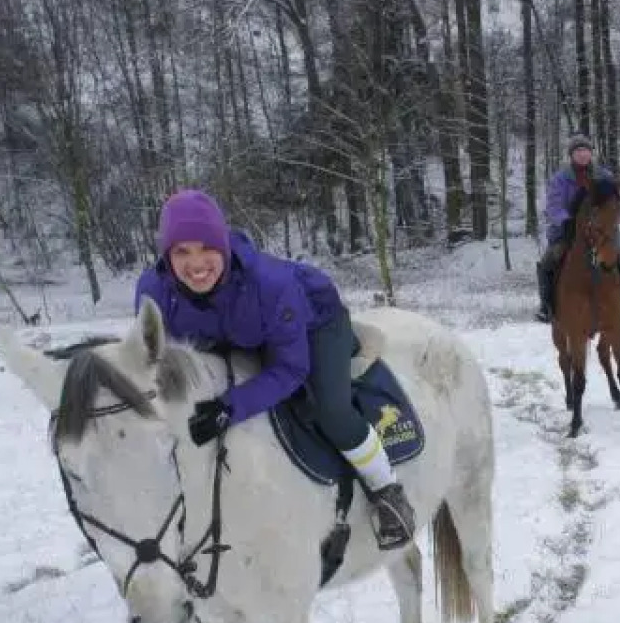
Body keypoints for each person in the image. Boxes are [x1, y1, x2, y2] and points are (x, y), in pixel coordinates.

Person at [134, 189, 417, 549]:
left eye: (207, 248)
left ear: (223, 246)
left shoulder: (271, 285)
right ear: (166, 257)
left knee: (330, 410)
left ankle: (387, 490)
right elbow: (158, 362)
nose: (197, 263)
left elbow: (290, 369)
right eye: (182, 252)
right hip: (236, 331)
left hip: (313, 321)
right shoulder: (153, 292)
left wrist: (228, 408)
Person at [537, 134, 620, 323]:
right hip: (568, 231)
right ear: (571, 155)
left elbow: (613, 203)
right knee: (547, 263)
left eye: (586, 151)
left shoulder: (604, 175)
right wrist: (566, 220)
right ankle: (546, 305)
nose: (583, 154)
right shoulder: (560, 179)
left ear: (591, 153)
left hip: (601, 230)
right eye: (578, 151)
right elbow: (553, 207)